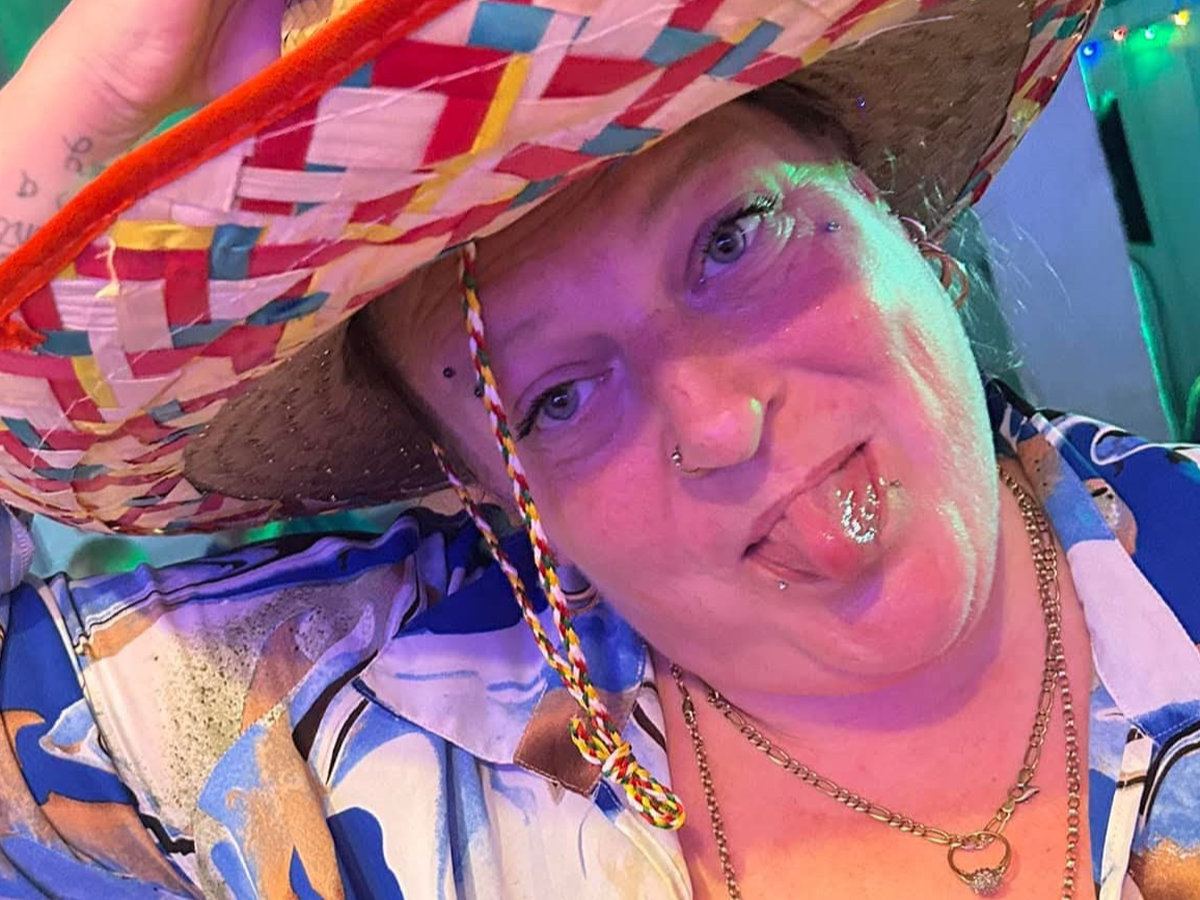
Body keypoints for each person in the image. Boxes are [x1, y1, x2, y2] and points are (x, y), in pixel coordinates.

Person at [1, 0, 1198, 898]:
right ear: (484, 482)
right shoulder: (304, 722)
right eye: (560, 399)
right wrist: (74, 103)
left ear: (884, 206)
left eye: (734, 237)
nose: (719, 425)